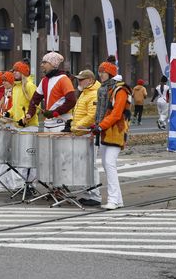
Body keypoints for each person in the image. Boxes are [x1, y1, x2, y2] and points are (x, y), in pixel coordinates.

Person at [93, 59, 132, 210]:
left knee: (109, 163)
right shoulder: (107, 89)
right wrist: (97, 125)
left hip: (116, 131)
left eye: (103, 72)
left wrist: (100, 126)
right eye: (100, 71)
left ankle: (113, 200)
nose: (100, 74)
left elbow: (116, 114)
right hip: (105, 131)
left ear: (110, 73)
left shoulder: (120, 90)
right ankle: (118, 200)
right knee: (107, 164)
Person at [24, 52, 76, 133]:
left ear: (53, 64)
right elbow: (34, 100)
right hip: (48, 124)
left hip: (61, 124)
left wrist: (54, 112)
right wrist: (29, 114)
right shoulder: (44, 80)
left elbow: (71, 101)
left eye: (44, 62)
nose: (41, 65)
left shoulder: (64, 79)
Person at [71, 69, 102, 207]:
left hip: (87, 134)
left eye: (81, 79)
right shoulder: (85, 93)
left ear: (90, 80)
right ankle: (87, 193)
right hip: (81, 133)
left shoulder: (93, 94)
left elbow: (92, 116)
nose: (79, 82)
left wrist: (76, 125)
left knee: (91, 165)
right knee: (83, 165)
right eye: (79, 79)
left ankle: (95, 195)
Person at [9, 61, 39, 192]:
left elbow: (36, 107)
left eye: (16, 70)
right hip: (17, 127)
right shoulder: (15, 87)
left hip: (29, 127)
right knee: (19, 158)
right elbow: (15, 108)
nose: (14, 72)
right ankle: (20, 185)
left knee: (29, 158)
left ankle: (30, 185)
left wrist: (25, 119)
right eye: (13, 70)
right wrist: (7, 113)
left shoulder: (30, 86)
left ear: (23, 72)